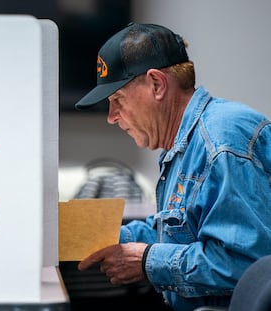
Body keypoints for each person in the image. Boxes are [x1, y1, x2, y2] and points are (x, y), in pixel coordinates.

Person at [73, 22, 271, 311]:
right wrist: (97, 236)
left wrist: (146, 261)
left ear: (156, 84)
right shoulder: (185, 144)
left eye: (118, 100)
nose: (111, 117)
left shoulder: (221, 140)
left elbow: (248, 266)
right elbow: (178, 234)